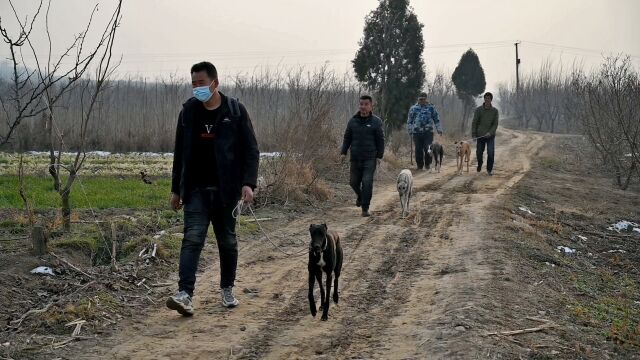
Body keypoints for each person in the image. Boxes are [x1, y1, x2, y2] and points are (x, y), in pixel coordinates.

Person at [166, 61, 260, 316]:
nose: (197, 88)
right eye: (194, 84)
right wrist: (176, 189)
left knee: (227, 242)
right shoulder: (188, 112)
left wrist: (248, 183)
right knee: (192, 239)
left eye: (202, 83)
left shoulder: (235, 111)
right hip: (195, 190)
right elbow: (179, 154)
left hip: (226, 191)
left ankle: (227, 288)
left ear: (215, 83)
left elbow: (251, 150)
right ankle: (184, 294)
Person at [340, 95, 385, 217]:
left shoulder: (376, 122)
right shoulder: (352, 121)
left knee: (367, 182)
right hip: (355, 158)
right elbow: (347, 137)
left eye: (366, 104)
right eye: (361, 104)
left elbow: (380, 140)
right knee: (353, 182)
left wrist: (379, 156)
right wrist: (343, 152)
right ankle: (360, 196)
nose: (363, 107)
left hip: (370, 158)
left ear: (371, 106)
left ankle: (365, 208)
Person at [407, 92, 443, 170]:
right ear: (418, 99)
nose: (422, 101)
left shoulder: (431, 107)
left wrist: (439, 129)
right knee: (418, 149)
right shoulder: (413, 108)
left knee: (428, 148)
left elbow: (436, 119)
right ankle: (419, 165)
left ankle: (428, 164)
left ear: (426, 99)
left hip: (428, 132)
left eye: (423, 99)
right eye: (420, 99)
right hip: (417, 132)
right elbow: (409, 121)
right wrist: (410, 130)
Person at [471, 92, 499, 176]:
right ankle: (480, 163)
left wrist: (490, 133)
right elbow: (474, 122)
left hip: (490, 136)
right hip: (480, 135)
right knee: (479, 152)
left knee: (490, 152)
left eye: (489, 98)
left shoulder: (495, 111)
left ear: (491, 100)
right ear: (484, 99)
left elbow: (495, 124)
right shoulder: (478, 110)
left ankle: (489, 170)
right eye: (486, 98)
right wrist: (474, 134)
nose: (487, 100)